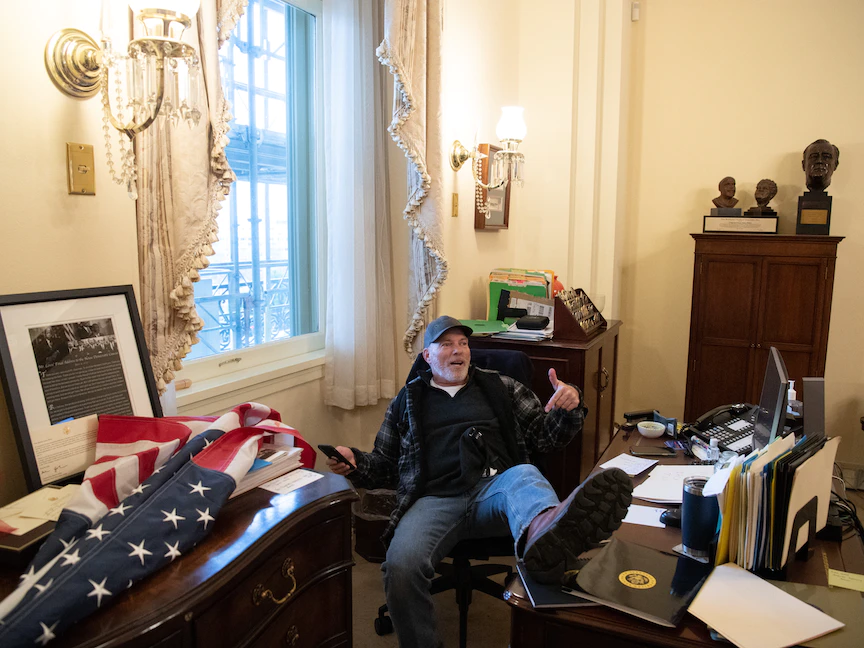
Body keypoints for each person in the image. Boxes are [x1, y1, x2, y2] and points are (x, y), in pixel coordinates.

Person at [324, 315, 632, 648]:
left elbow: (545, 438)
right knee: (400, 568)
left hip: (497, 490)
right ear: (427, 356)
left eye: (463, 343)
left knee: (525, 474)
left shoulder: (501, 387)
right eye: (446, 344)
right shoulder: (407, 401)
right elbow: (385, 466)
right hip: (434, 500)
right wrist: (355, 463)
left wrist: (567, 408)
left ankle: (547, 538)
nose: (458, 351)